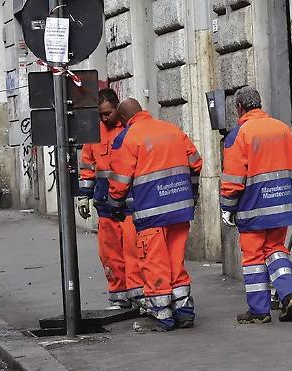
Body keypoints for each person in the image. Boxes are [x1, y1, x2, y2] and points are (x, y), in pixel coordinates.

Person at [107, 98, 202, 332]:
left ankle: (162, 315)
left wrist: (115, 205)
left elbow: (120, 180)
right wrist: (191, 192)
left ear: (122, 119)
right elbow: (196, 163)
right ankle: (184, 310)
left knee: (154, 261)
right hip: (180, 208)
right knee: (175, 260)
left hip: (151, 212)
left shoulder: (126, 138)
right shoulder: (172, 130)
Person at [220, 86, 292, 324]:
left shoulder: (239, 134)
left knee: (254, 258)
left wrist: (228, 207)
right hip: (281, 205)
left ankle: (259, 310)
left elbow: (234, 180)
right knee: (276, 249)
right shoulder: (282, 129)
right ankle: (288, 295)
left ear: (239, 108)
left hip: (253, 209)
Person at [77, 89, 143, 309]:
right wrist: (84, 196)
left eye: (108, 113)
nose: (104, 118)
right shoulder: (94, 133)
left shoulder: (129, 130)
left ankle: (138, 294)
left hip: (128, 203)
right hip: (105, 203)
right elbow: (87, 165)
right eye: (101, 115)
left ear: (118, 109)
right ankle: (119, 295)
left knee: (133, 252)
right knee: (110, 254)